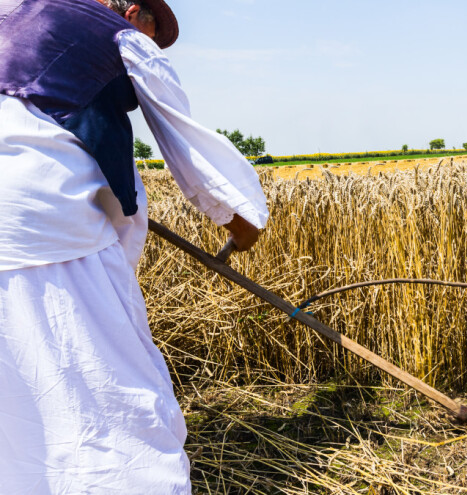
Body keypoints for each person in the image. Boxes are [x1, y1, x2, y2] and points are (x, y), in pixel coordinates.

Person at [0, 0, 269, 492]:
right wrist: (243, 223)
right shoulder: (116, 34)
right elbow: (184, 139)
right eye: (152, 29)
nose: (152, 41)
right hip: (45, 225)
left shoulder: (11, 14)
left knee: (15, 394)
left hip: (26, 219)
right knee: (107, 395)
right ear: (129, 11)